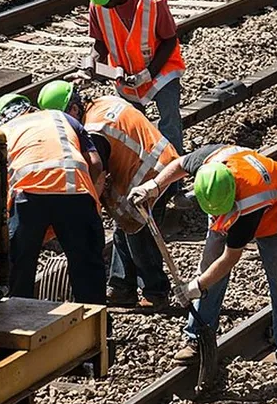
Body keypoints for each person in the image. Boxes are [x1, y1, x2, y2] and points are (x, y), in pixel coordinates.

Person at [130, 145, 277, 384]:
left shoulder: (249, 203)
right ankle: (196, 338)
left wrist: (196, 286)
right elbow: (179, 164)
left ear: (232, 197)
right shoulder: (210, 164)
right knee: (208, 272)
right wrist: (154, 186)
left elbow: (229, 258)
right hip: (236, 205)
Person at [37, 80, 180, 310]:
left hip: (152, 175)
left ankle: (156, 292)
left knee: (139, 234)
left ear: (73, 110)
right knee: (123, 226)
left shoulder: (94, 132)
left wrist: (87, 214)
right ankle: (122, 287)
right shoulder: (102, 103)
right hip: (158, 164)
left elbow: (98, 176)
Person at [0, 94, 106, 304]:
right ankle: (97, 326)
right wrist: (84, 193)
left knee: (21, 269)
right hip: (76, 193)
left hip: (28, 201)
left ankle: (21, 325)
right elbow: (95, 163)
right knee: (87, 266)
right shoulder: (62, 118)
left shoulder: (2, 134)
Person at [85, 0, 185, 156]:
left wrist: (148, 74)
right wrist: (91, 65)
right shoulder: (98, 5)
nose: (103, 6)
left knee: (169, 122)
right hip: (127, 78)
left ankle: (175, 173)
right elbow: (100, 44)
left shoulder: (152, 3)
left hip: (161, 72)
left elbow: (169, 40)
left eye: (107, 1)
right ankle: (148, 168)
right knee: (136, 129)